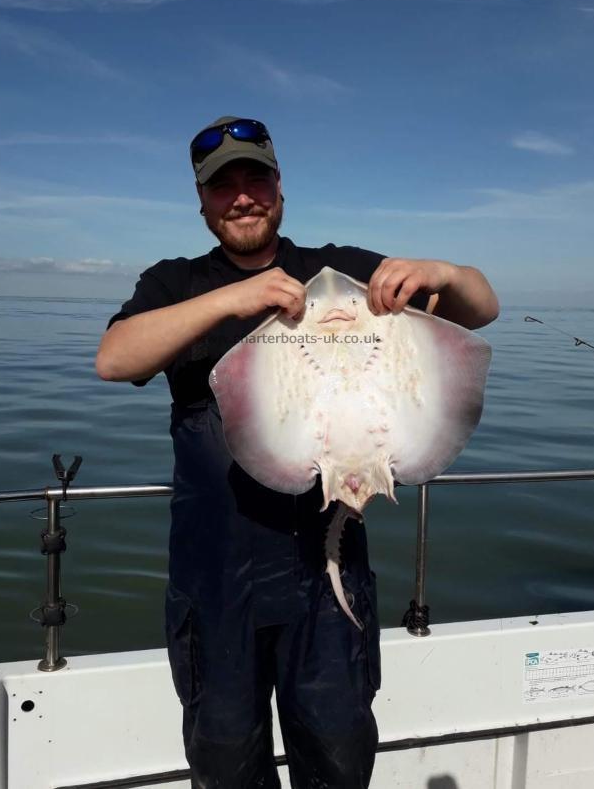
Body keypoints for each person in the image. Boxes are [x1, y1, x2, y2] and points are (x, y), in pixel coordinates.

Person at [96, 116, 499, 788]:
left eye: (256, 179)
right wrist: (234, 299)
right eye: (224, 187)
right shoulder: (173, 282)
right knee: (226, 762)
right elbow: (112, 360)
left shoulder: (339, 270)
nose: (243, 196)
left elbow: (480, 308)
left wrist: (442, 271)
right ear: (202, 201)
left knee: (337, 757)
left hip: (324, 568)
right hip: (215, 576)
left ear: (279, 188)